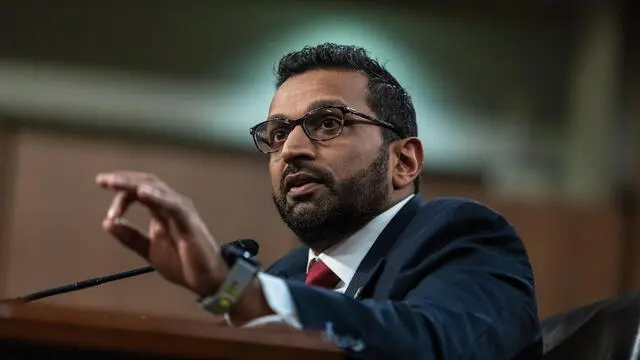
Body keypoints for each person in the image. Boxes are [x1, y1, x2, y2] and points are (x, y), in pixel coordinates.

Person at [96, 43, 542, 359]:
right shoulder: (287, 277)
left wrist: (234, 288)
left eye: (328, 123)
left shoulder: (461, 236)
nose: (291, 149)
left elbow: (433, 346)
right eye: (277, 133)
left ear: (403, 160)